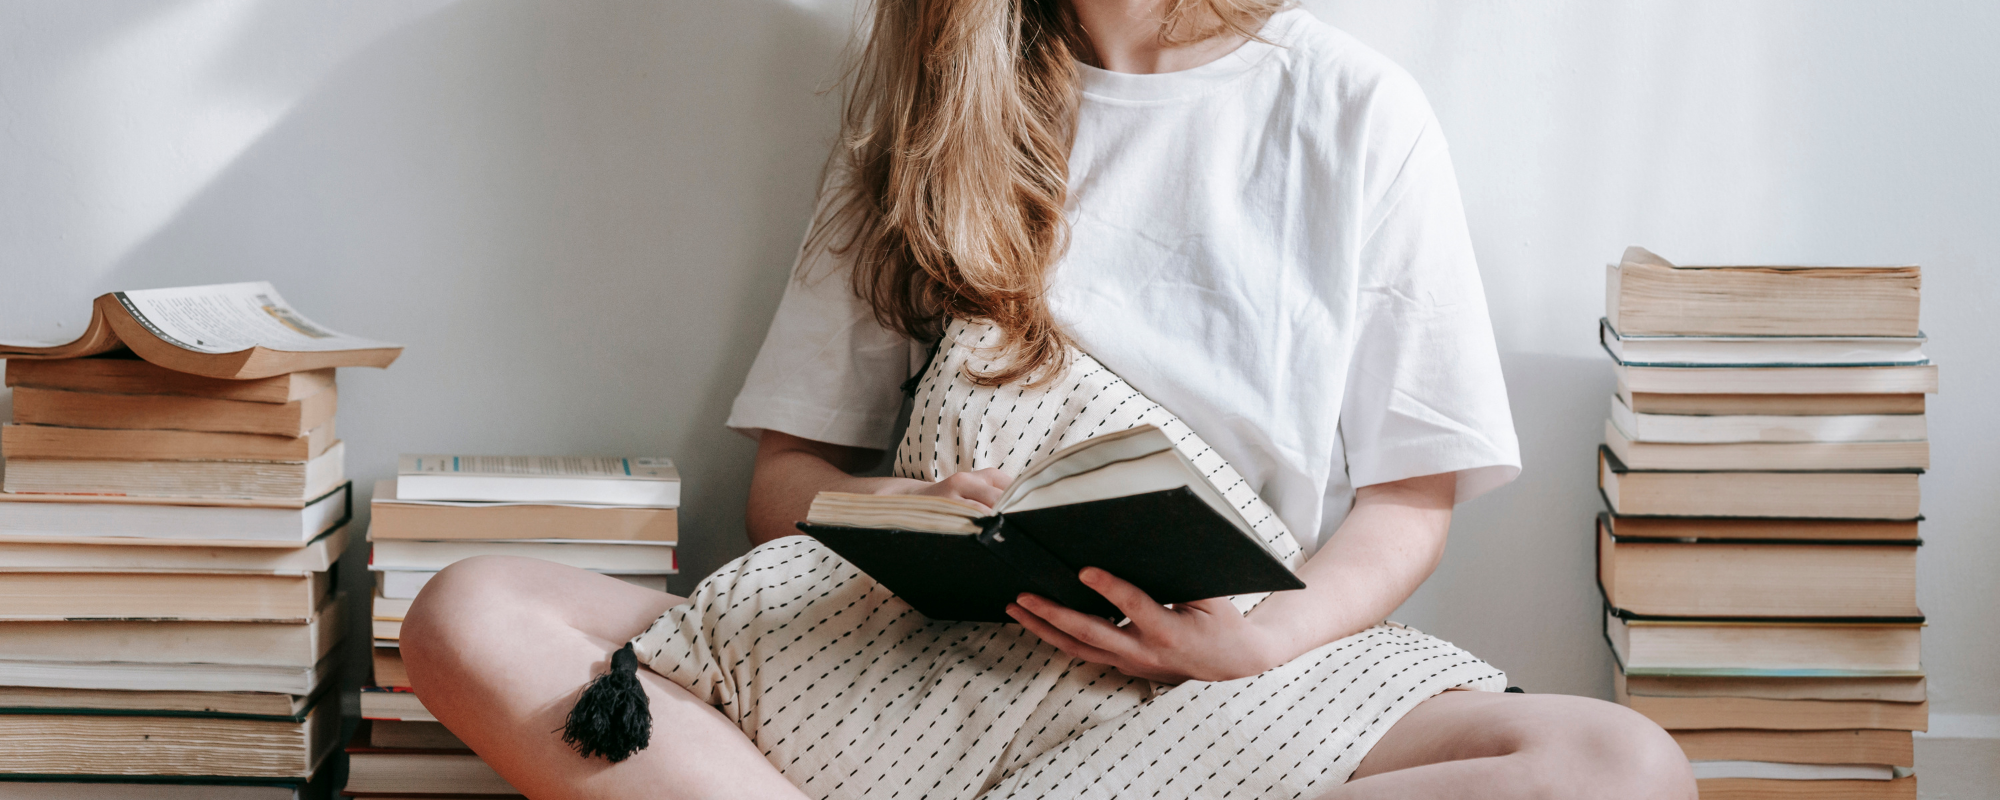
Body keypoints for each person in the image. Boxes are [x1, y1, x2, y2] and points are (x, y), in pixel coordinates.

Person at [401, 1, 1697, 797]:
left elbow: (1412, 497)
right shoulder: (924, 116)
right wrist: (901, 505)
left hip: (1218, 671)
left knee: (1618, 771)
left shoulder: (1350, 106)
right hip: (909, 654)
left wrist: (1256, 645)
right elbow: (784, 486)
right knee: (472, 608)